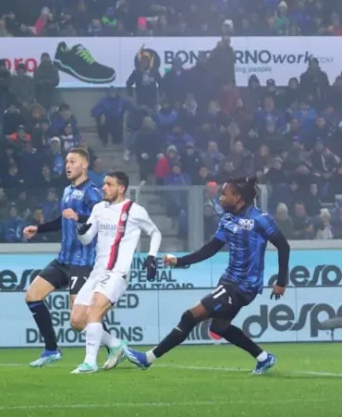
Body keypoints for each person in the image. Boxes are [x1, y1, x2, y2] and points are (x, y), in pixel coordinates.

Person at [125, 176, 290, 375]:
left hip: (243, 286)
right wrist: (180, 261)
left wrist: (281, 281)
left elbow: (283, 245)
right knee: (219, 327)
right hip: (228, 281)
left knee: (190, 316)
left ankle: (147, 358)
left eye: (224, 194)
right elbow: (210, 249)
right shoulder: (227, 219)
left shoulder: (260, 219)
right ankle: (264, 358)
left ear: (237, 197)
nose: (220, 198)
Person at [70, 170, 162, 374]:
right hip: (97, 271)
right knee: (77, 320)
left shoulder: (134, 210)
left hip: (117, 272)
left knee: (95, 310)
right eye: (104, 184)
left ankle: (89, 363)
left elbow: (155, 233)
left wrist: (151, 257)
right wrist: (81, 232)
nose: (104, 188)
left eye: (109, 184)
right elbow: (87, 239)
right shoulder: (98, 208)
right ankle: (115, 345)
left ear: (121, 188)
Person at [22, 148, 102, 368]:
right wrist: (38, 229)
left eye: (73, 161)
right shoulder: (67, 191)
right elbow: (62, 220)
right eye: (67, 161)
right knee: (32, 296)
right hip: (63, 259)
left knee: (79, 320)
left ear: (84, 165)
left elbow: (101, 219)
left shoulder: (92, 192)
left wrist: (80, 217)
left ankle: (114, 346)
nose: (68, 165)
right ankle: (51, 349)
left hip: (82, 262)